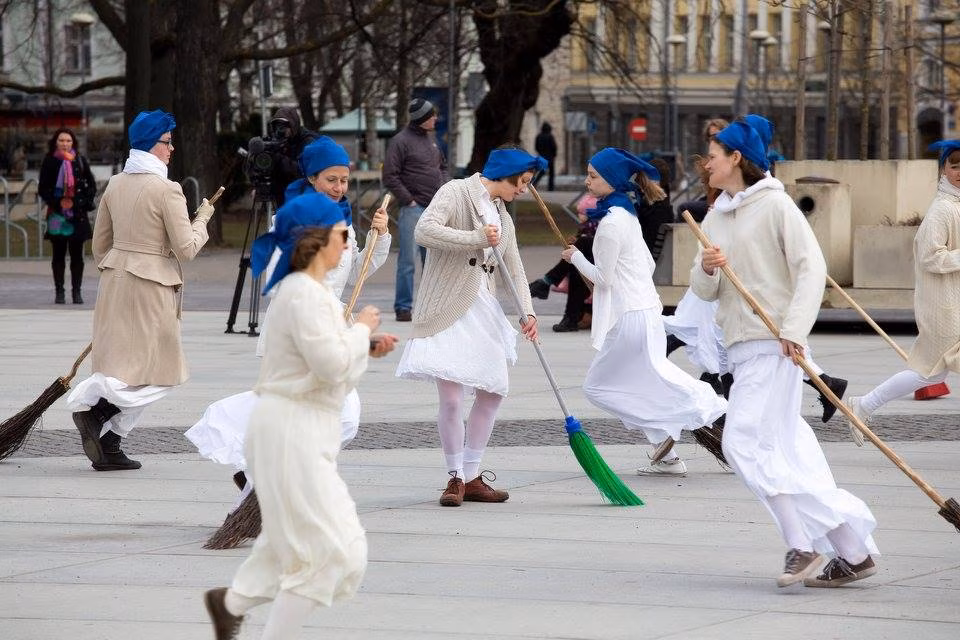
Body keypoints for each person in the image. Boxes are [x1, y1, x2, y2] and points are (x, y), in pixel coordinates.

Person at [691, 120, 878, 588]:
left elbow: (811, 268)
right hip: (741, 346)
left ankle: (802, 543)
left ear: (736, 157)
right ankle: (853, 552)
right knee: (786, 453)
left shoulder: (775, 205)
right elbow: (704, 291)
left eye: (713, 154)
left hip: (774, 344)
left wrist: (794, 330)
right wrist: (708, 269)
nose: (706, 163)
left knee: (741, 443)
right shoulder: (715, 216)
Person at [203, 192, 388, 640]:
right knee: (335, 553)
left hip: (302, 432)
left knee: (300, 547)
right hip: (292, 435)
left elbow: (331, 368)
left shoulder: (311, 292)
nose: (349, 243)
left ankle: (232, 603)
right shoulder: (304, 294)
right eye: (342, 234)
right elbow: (332, 367)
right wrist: (362, 330)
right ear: (315, 240)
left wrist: (363, 345)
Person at [186, 136, 394, 493]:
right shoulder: (292, 219)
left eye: (344, 180)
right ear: (312, 178)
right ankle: (268, 471)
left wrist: (381, 236)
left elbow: (356, 274)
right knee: (331, 412)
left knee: (325, 414)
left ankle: (261, 472)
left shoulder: (343, 221)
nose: (339, 187)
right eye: (331, 180)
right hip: (299, 332)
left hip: (330, 325)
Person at [65, 110, 216, 471]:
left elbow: (100, 244)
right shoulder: (168, 189)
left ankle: (111, 443)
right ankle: (100, 413)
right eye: (167, 142)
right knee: (161, 370)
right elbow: (186, 249)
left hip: (114, 282)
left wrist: (117, 267)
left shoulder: (116, 184)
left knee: (123, 365)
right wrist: (202, 220)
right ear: (151, 144)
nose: (172, 148)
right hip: (152, 287)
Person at [561, 148, 727, 476]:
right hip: (646, 310)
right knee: (647, 377)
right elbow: (647, 264)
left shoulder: (611, 223)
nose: (587, 181)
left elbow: (604, 279)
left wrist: (575, 257)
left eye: (593, 176)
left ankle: (698, 409)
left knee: (598, 388)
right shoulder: (627, 214)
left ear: (612, 180)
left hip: (629, 316)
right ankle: (667, 453)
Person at [395, 146, 542, 506]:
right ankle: (455, 477)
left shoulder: (504, 217)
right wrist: (475, 238)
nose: (524, 189)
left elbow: (515, 268)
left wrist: (527, 311)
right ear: (505, 175)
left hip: (483, 309)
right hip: (447, 306)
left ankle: (473, 475)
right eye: (522, 182)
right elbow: (424, 231)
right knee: (451, 398)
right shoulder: (456, 191)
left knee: (493, 391)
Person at [845, 139, 960, 446]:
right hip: (944, 309)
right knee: (928, 373)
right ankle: (863, 405)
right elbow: (930, 257)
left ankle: (863, 404)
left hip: (952, 305)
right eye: (955, 165)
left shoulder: (955, 205)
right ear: (943, 169)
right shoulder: (943, 209)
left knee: (929, 374)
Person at [383, 97, 446, 322]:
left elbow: (442, 167)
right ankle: (403, 307)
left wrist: (444, 188)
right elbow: (390, 175)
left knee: (432, 262)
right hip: (413, 209)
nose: (435, 118)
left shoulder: (432, 140)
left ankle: (431, 307)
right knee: (407, 262)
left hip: (434, 210)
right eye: (431, 115)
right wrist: (408, 200)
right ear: (421, 118)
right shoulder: (400, 141)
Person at [37, 128, 98, 304]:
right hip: (57, 214)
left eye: (68, 141)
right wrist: (57, 202)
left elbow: (91, 185)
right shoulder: (50, 160)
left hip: (77, 214)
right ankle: (59, 292)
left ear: (73, 143)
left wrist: (82, 202)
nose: (65, 144)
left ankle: (76, 292)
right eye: (62, 140)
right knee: (58, 254)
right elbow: (43, 188)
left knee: (77, 255)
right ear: (56, 142)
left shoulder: (79, 160)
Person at [528, 193, 597, 332]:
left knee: (580, 249)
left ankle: (546, 282)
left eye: (582, 213)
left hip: (599, 267)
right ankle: (570, 317)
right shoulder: (587, 227)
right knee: (575, 264)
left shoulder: (598, 226)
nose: (579, 216)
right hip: (588, 265)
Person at [265, 106, 319, 207]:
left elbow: (303, 172)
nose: (280, 131)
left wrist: (279, 159)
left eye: (284, 127)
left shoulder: (308, 142)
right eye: (277, 127)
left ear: (293, 125)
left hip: (303, 197)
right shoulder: (280, 142)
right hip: (283, 196)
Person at [534, 122, 558, 191]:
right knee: (551, 173)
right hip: (550, 157)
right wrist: (554, 154)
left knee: (542, 171)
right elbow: (554, 147)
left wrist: (540, 153)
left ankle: (534, 183)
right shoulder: (550, 136)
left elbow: (536, 147)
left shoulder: (539, 136)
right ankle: (551, 187)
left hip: (542, 156)